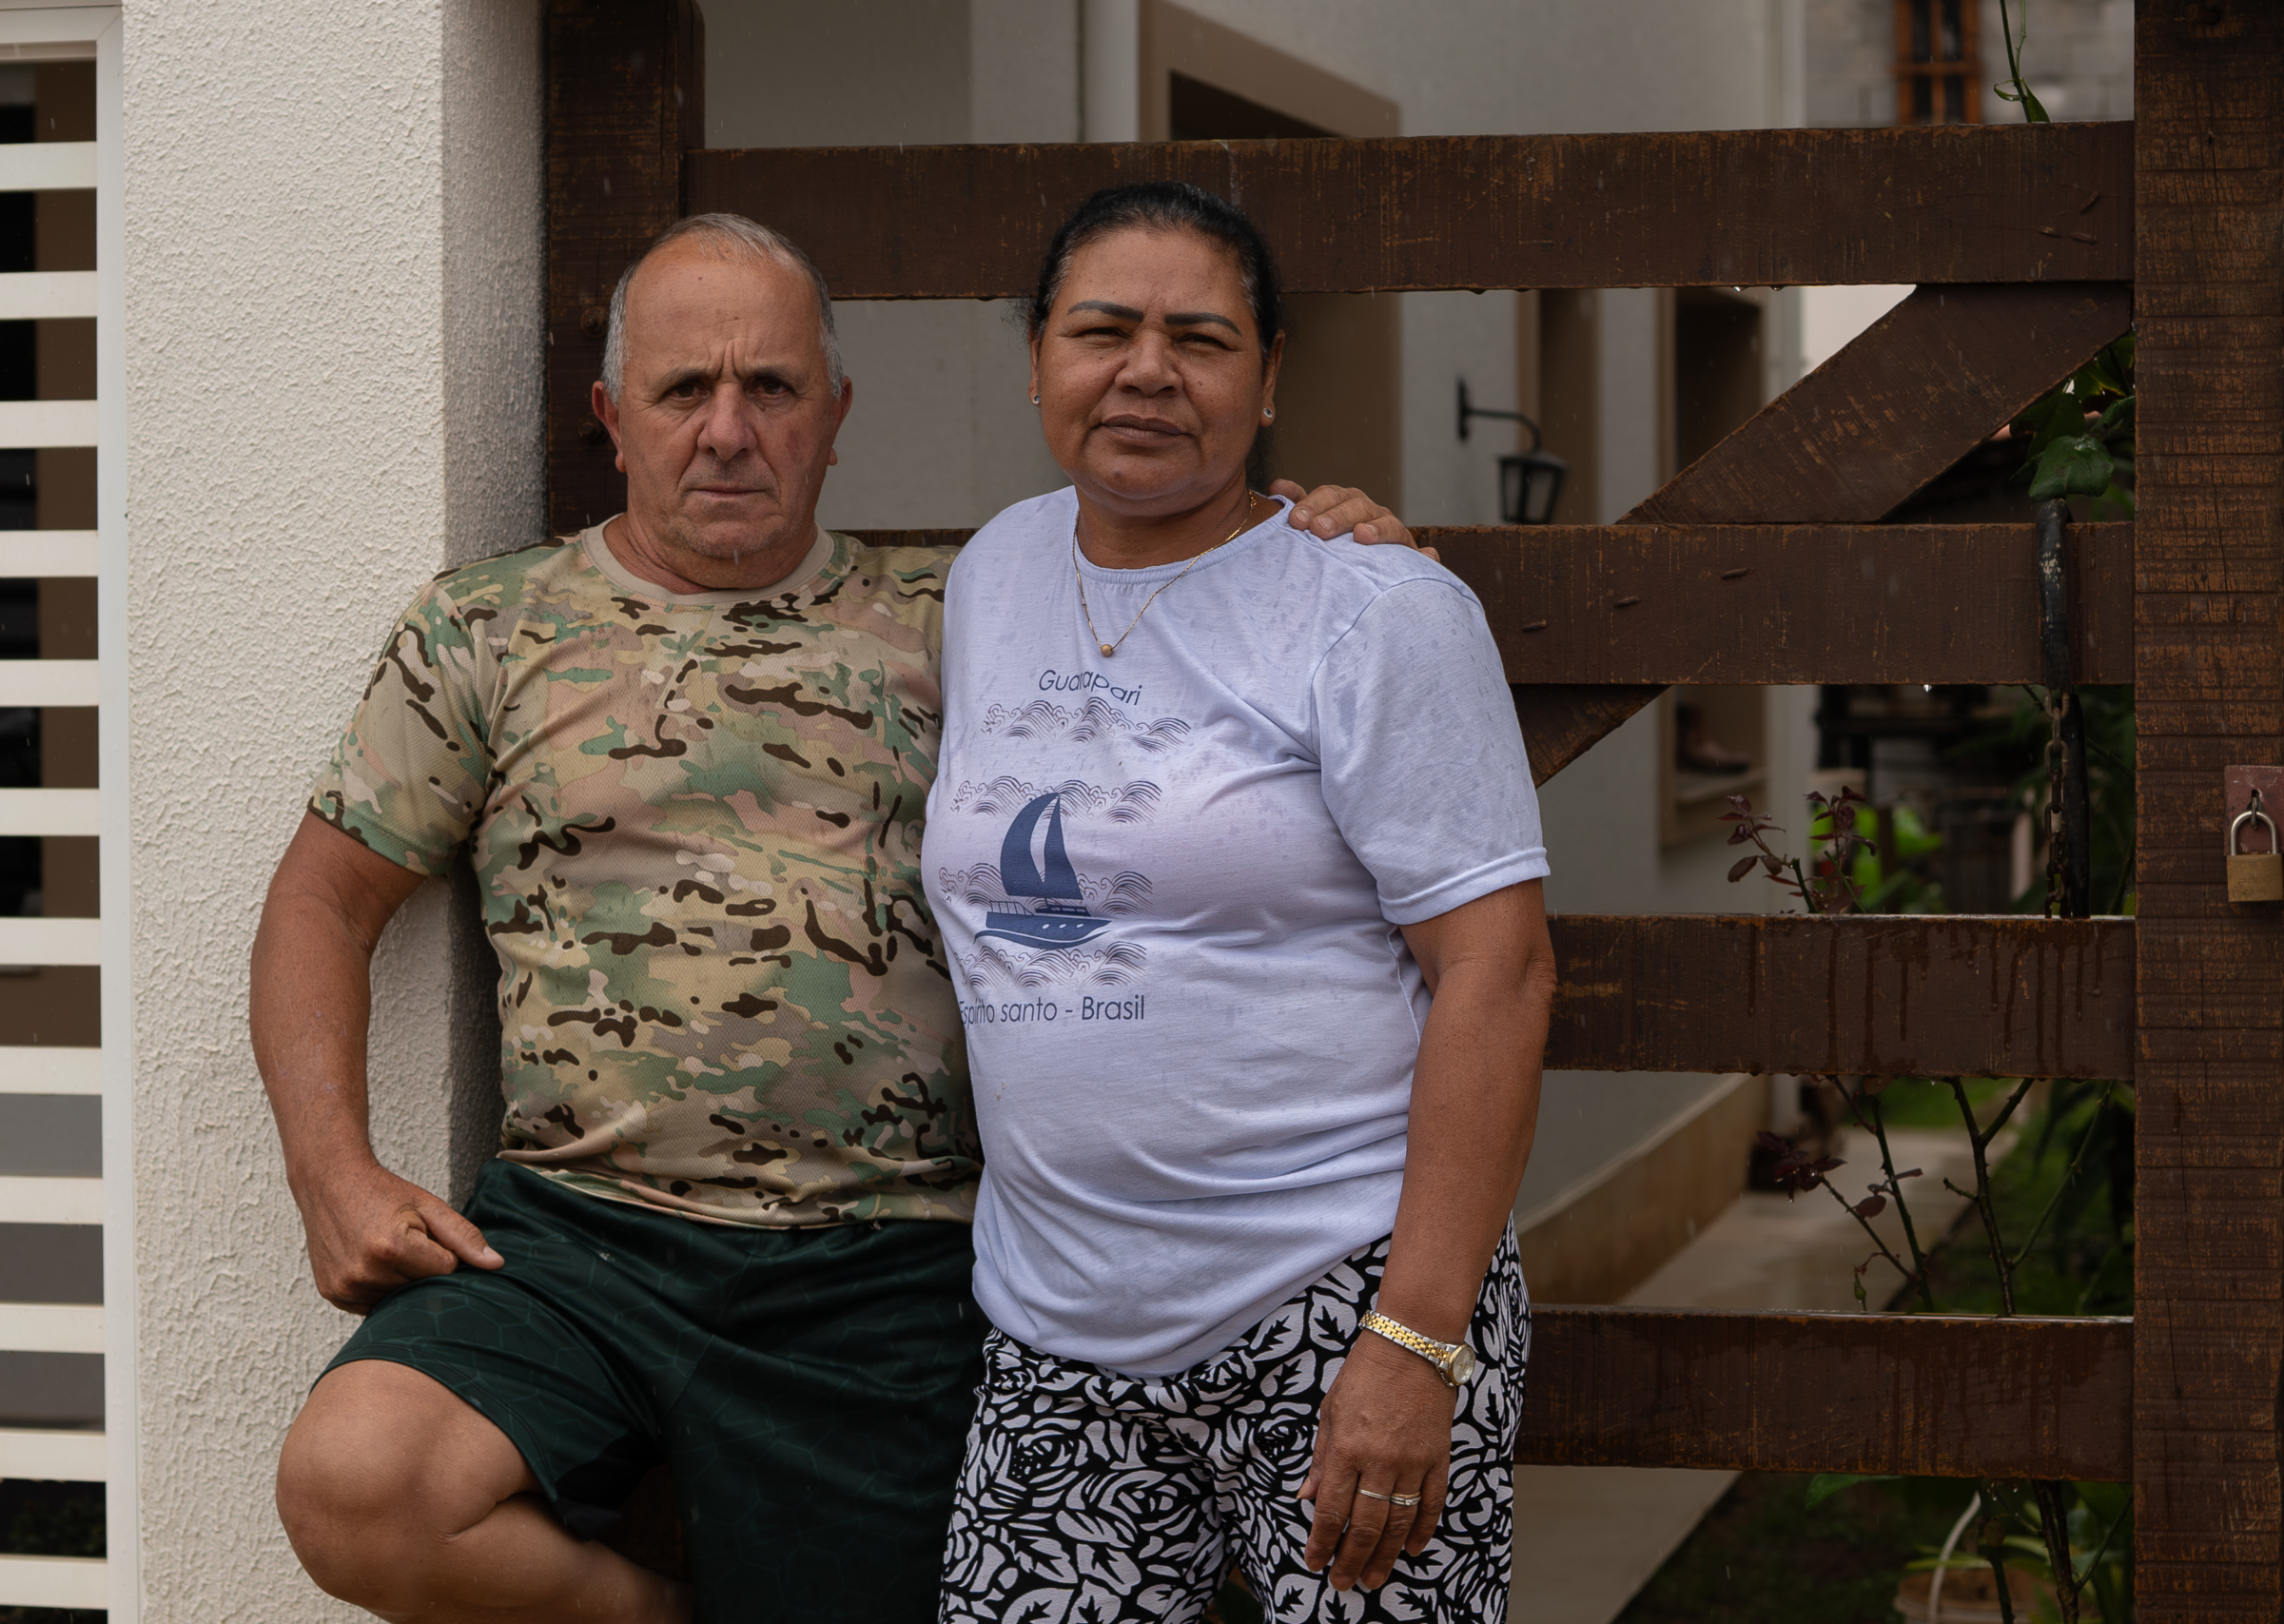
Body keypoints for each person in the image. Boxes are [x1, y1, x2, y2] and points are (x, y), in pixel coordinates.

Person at [254, 210, 1415, 1624]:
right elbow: (322, 898)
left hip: (883, 1270)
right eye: (686, 391)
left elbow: (1186, 623)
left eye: (774, 389)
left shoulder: (972, 619)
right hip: (578, 1243)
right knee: (356, 1482)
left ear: (837, 414)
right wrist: (333, 1171)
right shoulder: (486, 631)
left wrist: (1324, 544)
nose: (730, 431)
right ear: (614, 416)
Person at [927, 181, 1555, 1624]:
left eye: (1199, 338)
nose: (1147, 370)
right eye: (1103, 330)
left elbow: (1499, 975)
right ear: (1036, 362)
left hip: (1337, 1301)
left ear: (1269, 380)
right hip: (1056, 1326)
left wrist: (1417, 1342)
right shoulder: (993, 574)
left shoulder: (1375, 609)